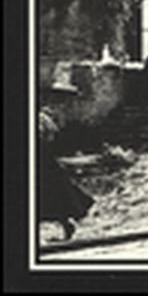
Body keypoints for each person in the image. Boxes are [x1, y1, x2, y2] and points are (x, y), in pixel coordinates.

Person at [38, 89, 94, 240]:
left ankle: (67, 223)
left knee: (55, 194)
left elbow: (50, 136)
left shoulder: (42, 119)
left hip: (44, 161)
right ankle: (66, 224)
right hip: (42, 160)